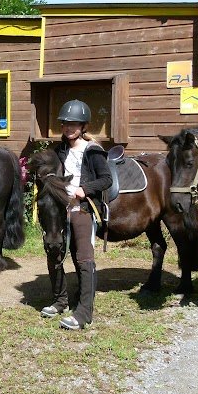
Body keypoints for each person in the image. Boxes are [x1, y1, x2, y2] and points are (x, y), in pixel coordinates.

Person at [41, 99, 112, 330]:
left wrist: (85, 189)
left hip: (83, 208)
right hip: (61, 210)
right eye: (65, 124)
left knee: (83, 258)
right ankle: (60, 300)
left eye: (74, 124)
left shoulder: (93, 151)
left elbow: (106, 179)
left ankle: (83, 313)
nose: (69, 128)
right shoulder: (59, 150)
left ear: (83, 126)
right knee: (55, 252)